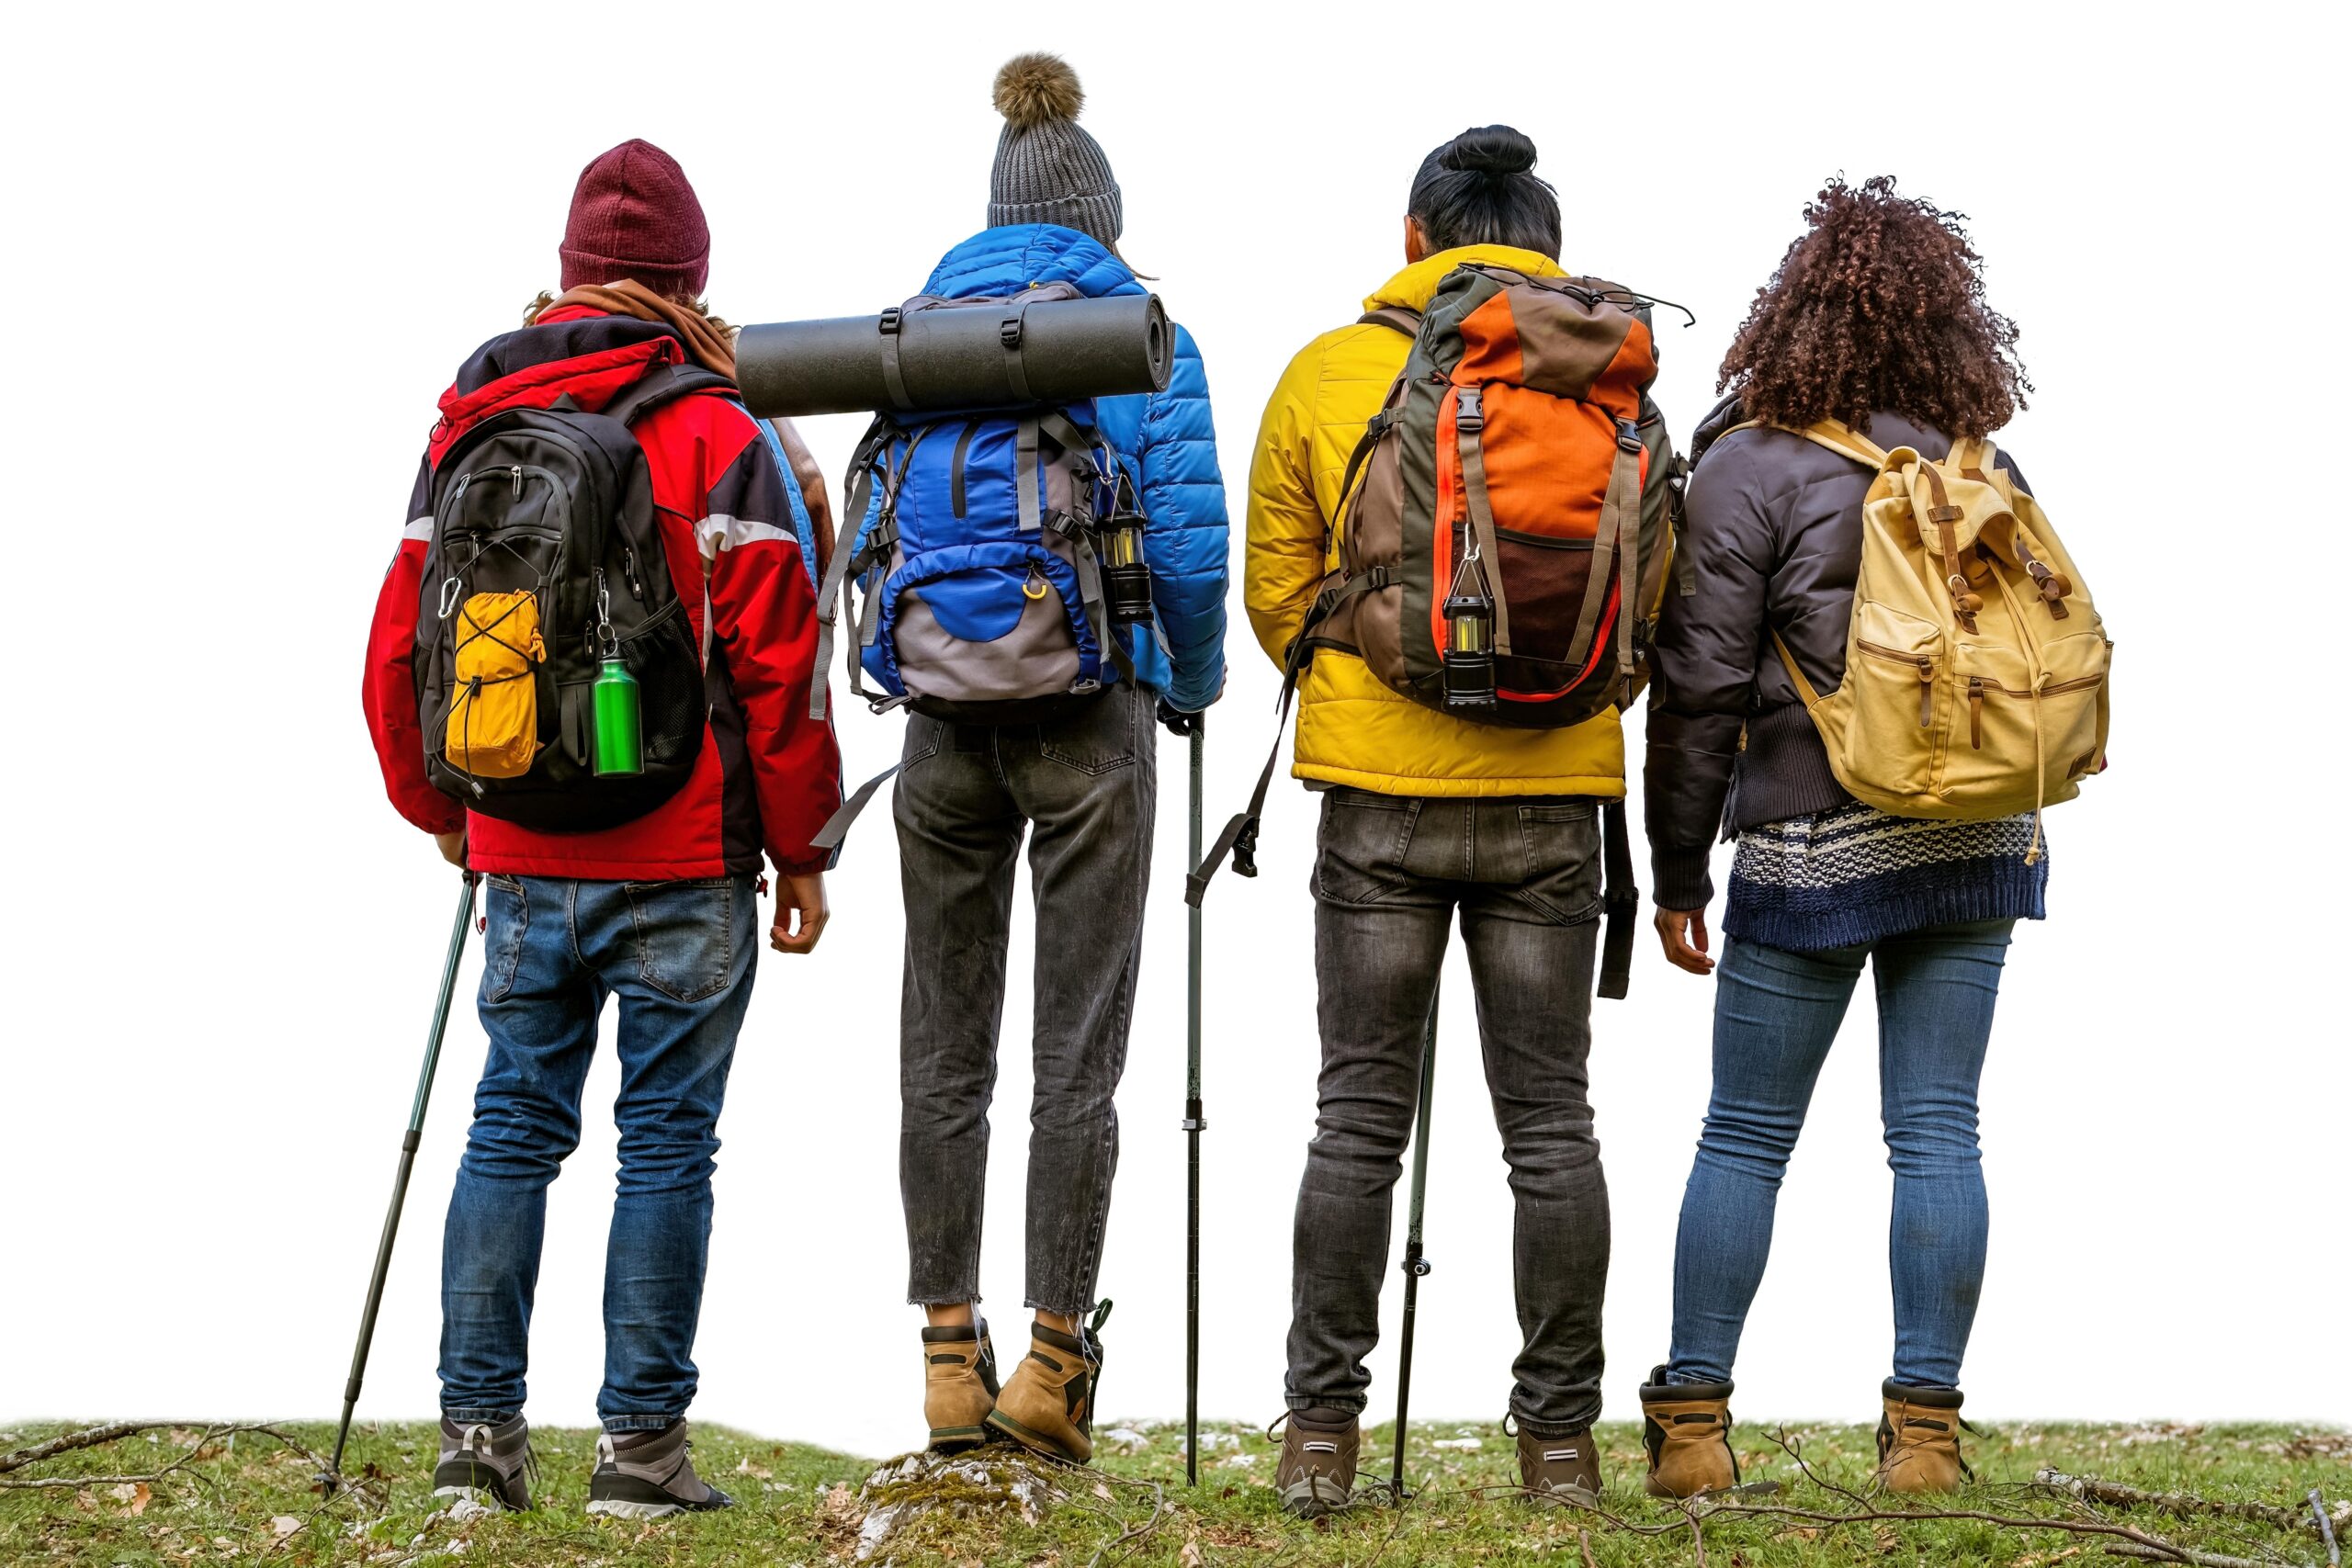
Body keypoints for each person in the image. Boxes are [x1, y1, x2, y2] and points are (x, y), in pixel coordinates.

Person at [361, 139, 842, 1517]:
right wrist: (803, 848)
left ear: (570, 269)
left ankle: (475, 1447)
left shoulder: (469, 422)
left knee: (510, 1125)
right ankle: (639, 1457)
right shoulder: (719, 429)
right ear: (691, 278)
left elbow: (401, 643)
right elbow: (781, 667)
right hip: (686, 855)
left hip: (518, 847)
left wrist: (446, 812)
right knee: (666, 1145)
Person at [1246, 125, 1673, 1514]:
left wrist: (1375, 678)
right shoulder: (1613, 387)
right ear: (1543, 254)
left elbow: (1276, 596)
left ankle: (1322, 1441)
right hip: (1557, 799)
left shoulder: (1329, 372)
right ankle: (1559, 1450)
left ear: (1415, 236)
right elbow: (1646, 611)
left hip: (1376, 796)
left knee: (1356, 1121)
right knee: (1552, 1128)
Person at [1640, 176, 2042, 1497]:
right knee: (1938, 1131)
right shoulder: (1982, 461)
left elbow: (1700, 685)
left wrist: (1677, 869)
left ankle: (1693, 1431)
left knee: (1746, 1133)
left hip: (1812, 840)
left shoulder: (1750, 462)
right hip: (1978, 835)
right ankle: (1924, 1440)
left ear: (1794, 311)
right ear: (1948, 322)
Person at [890, 54, 1227, 1466]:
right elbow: (1193, 549)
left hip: (940, 721)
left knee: (940, 1044)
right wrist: (1190, 688)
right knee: (1074, 1057)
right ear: (1100, 218)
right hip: (1093, 718)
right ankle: (1052, 1361)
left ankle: (944, 1359)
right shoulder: (1139, 332)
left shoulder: (911, 336)